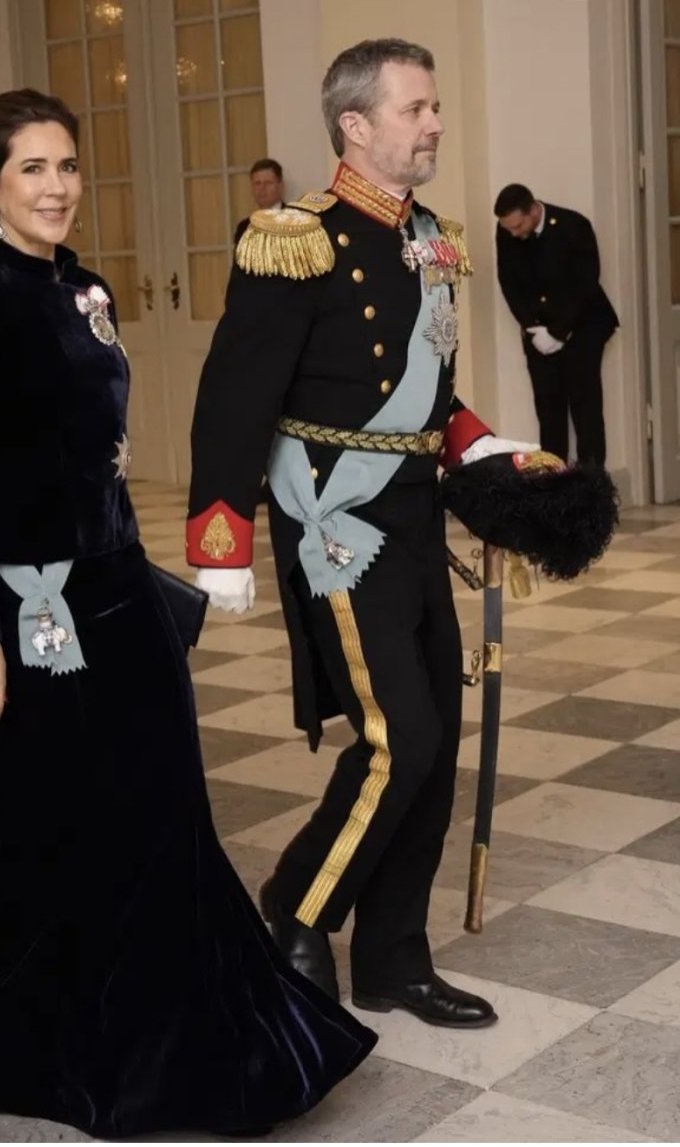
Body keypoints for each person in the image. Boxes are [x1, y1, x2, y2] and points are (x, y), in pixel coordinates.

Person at [0, 89, 375, 1140]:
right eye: (32, 168)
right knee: (32, 822)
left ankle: (166, 1037)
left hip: (121, 597)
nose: (56, 187)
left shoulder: (83, 288)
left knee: (158, 816)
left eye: (67, 166)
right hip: (35, 613)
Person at [188, 39, 541, 1030]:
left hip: (415, 518)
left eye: (434, 107)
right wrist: (220, 544)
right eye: (414, 109)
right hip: (335, 525)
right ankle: (298, 906)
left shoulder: (428, 236)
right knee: (399, 738)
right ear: (354, 124)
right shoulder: (293, 241)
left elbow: (425, 397)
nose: (434, 124)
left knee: (435, 739)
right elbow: (232, 402)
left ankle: (393, 956)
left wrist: (488, 455)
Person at [494, 183, 618, 466]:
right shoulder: (507, 231)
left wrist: (559, 332)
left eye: (517, 226)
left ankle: (591, 483)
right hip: (538, 330)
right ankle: (554, 484)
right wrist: (531, 327)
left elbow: (586, 283)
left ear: (533, 210)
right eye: (507, 228)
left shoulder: (573, 226)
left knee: (585, 409)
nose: (513, 233)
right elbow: (509, 283)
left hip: (583, 327)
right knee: (549, 411)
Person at [234, 157, 286, 243]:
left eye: (268, 183)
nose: (262, 188)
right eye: (257, 183)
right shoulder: (244, 227)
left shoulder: (296, 222)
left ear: (281, 186)